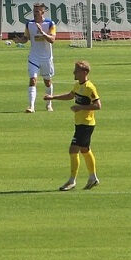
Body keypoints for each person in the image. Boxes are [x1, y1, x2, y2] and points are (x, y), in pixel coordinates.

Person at [44, 60, 101, 191]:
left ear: (84, 72)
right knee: (85, 150)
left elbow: (98, 105)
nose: (73, 72)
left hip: (86, 124)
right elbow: (70, 95)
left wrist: (80, 107)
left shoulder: (89, 87)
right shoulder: (77, 85)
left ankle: (72, 180)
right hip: (80, 123)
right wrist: (53, 97)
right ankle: (93, 177)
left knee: (73, 149)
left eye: (76, 70)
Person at [24, 3, 56, 113]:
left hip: (46, 58)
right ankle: (31, 106)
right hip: (34, 57)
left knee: (47, 82)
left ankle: (49, 104)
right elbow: (26, 38)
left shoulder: (50, 23)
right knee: (33, 80)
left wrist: (43, 33)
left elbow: (52, 40)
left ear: (43, 12)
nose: (35, 13)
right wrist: (20, 40)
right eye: (34, 11)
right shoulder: (29, 24)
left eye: (37, 11)